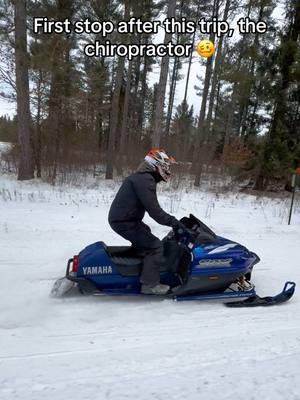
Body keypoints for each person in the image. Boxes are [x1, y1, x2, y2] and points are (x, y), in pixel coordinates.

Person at [108, 149, 185, 295]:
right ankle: (150, 285)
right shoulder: (146, 180)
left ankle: (140, 268)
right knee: (155, 247)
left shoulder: (142, 177)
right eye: (166, 166)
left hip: (126, 219)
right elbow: (155, 212)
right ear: (157, 165)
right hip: (124, 221)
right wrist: (174, 222)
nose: (167, 169)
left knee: (146, 235)